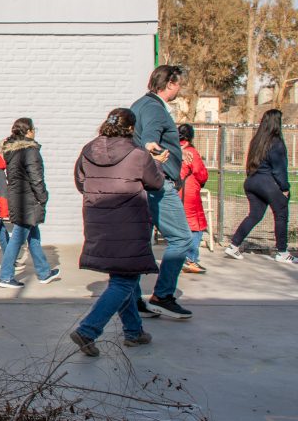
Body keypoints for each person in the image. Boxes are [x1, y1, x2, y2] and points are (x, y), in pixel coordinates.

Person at [70, 109, 165, 357]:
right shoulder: (138, 154)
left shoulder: (88, 150)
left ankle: (134, 332)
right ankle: (88, 330)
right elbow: (156, 183)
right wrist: (157, 164)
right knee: (125, 281)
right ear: (131, 129)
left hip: (98, 220)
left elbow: (81, 183)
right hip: (129, 222)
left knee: (124, 277)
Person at [130, 65, 193, 319]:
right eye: (178, 84)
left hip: (141, 184)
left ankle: (134, 301)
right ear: (169, 84)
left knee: (140, 243)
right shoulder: (156, 109)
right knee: (181, 238)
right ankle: (164, 296)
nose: (179, 89)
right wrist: (158, 154)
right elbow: (150, 139)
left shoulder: (139, 104)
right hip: (159, 184)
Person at [0, 118, 61, 288]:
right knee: (18, 238)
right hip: (28, 200)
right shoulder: (30, 151)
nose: (35, 131)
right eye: (33, 129)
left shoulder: (11, 151)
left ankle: (44, 272)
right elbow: (36, 178)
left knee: (33, 236)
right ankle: (5, 276)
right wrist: (43, 197)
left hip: (17, 198)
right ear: (28, 131)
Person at [223, 109, 295, 264]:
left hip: (251, 181)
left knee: (255, 215)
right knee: (281, 213)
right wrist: (285, 188)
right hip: (266, 182)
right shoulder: (276, 143)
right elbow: (279, 169)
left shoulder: (256, 140)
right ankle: (282, 251)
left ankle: (233, 245)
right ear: (277, 123)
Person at [177, 124, 209, 273]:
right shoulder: (190, 152)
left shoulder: (173, 150)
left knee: (181, 224)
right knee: (196, 225)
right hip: (189, 191)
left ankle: (183, 257)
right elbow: (201, 173)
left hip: (176, 190)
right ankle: (190, 259)